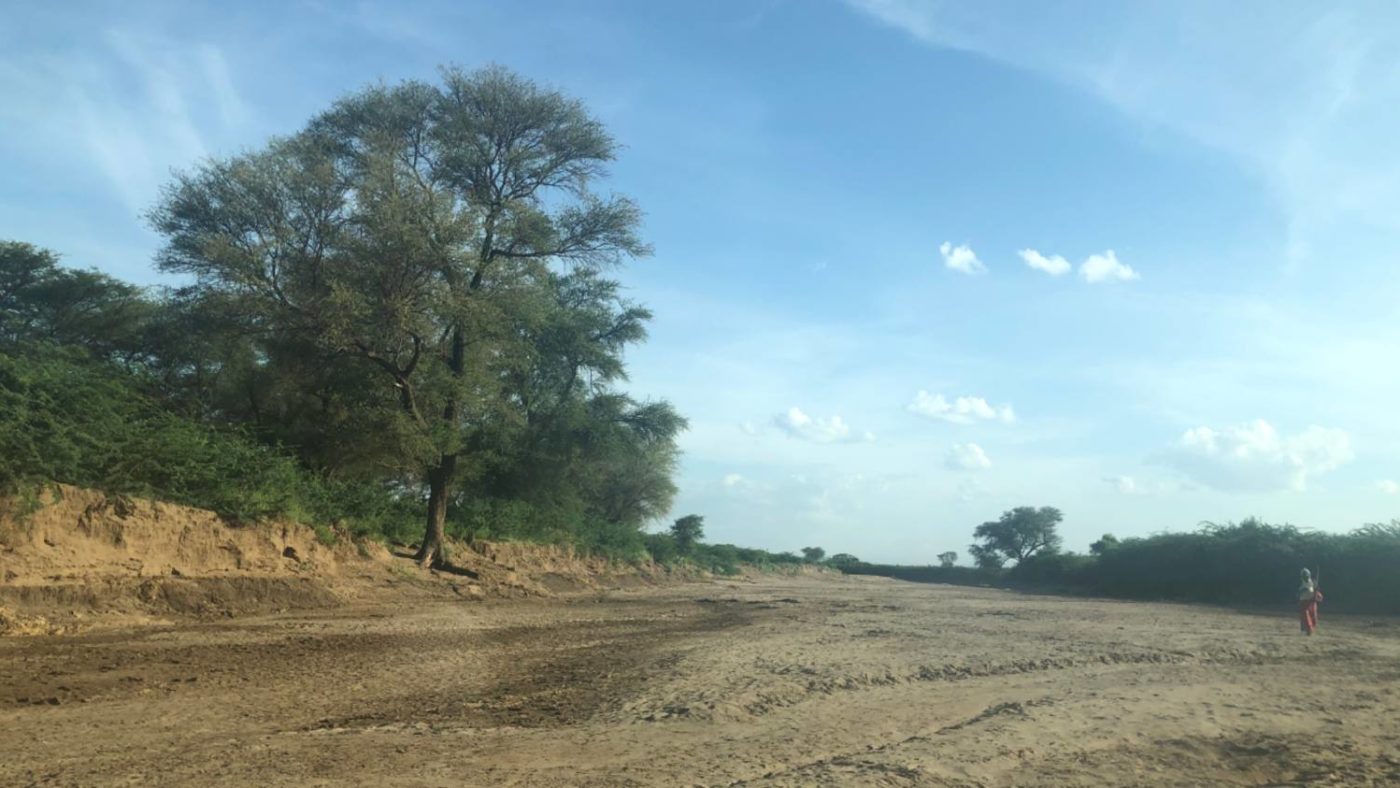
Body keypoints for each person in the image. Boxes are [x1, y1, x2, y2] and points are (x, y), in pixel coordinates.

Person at [1297, 568, 1323, 635]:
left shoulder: (1313, 582)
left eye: (1306, 575)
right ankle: (1307, 630)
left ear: (1309, 575)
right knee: (1305, 616)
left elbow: (1317, 590)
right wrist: (1304, 590)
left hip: (1311, 602)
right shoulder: (1300, 583)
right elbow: (1298, 593)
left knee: (1313, 617)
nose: (1305, 576)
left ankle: (1310, 628)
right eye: (1304, 575)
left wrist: (1317, 593)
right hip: (1303, 602)